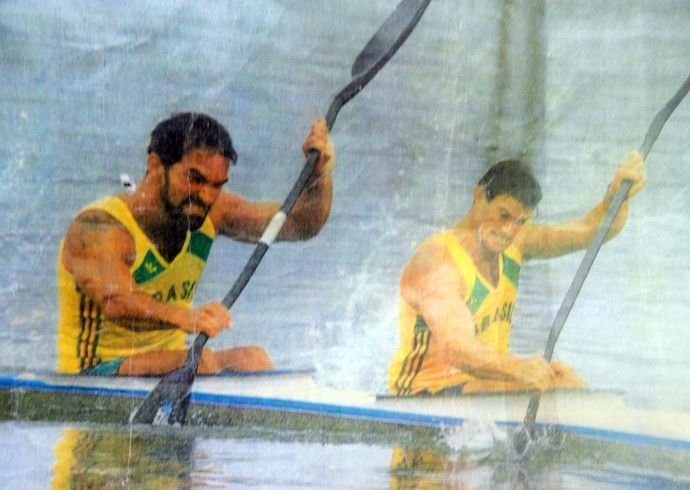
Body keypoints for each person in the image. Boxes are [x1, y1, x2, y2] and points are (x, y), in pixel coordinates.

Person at [57, 112, 335, 376]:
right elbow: (115, 301)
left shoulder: (210, 213)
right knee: (200, 362)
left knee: (254, 359)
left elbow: (302, 223)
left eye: (217, 185)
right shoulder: (99, 227)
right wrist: (186, 317)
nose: (206, 196)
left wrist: (319, 175)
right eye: (195, 179)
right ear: (155, 166)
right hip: (94, 374)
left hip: (172, 365)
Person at [389, 152, 645, 396]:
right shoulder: (438, 262)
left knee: (561, 376)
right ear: (479, 196)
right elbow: (457, 348)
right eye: (503, 215)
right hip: (426, 394)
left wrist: (617, 194)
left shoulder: (515, 242)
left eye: (520, 222)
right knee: (554, 386)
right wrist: (520, 369)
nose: (509, 231)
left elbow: (593, 230)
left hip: (481, 386)